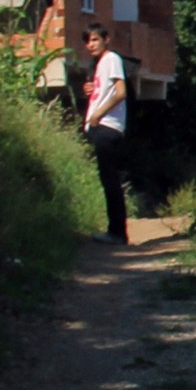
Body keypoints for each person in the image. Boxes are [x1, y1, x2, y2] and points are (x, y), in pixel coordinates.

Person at [80, 24, 131, 246]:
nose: (90, 45)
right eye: (88, 41)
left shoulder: (111, 59)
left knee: (110, 180)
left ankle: (117, 232)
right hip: (102, 127)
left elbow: (121, 92)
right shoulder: (100, 64)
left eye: (94, 40)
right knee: (108, 179)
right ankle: (116, 231)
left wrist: (98, 114)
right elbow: (105, 91)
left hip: (107, 127)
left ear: (106, 39)